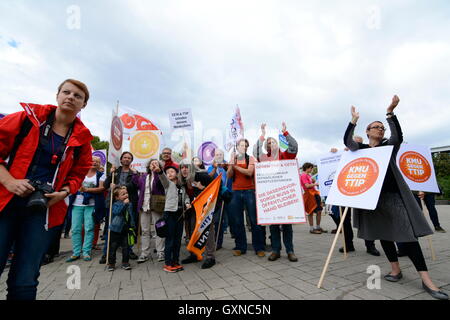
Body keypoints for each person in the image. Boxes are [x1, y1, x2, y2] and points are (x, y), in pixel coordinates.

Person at [345, 95, 448, 300]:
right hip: (372, 201)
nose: (380, 129)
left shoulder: (388, 147)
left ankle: (427, 281)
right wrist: (353, 120)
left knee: (407, 236)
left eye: (382, 127)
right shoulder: (361, 150)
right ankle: (395, 270)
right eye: (376, 127)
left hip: (393, 198)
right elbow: (347, 141)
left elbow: (397, 137)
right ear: (367, 132)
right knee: (384, 235)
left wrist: (390, 113)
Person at [0, 79, 93, 300]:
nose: (70, 97)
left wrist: (64, 192)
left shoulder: (82, 140)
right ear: (57, 95)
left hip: (43, 210)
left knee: (25, 279)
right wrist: (9, 181)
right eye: (66, 92)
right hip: (5, 202)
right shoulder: (27, 119)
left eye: (77, 96)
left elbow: (79, 174)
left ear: (84, 105)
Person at [253, 122, 299, 262]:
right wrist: (262, 135)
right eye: (268, 143)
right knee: (273, 225)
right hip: (271, 196)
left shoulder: (285, 155)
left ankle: (290, 250)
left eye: (272, 142)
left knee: (286, 225)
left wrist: (286, 133)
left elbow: (294, 146)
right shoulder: (264, 158)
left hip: (284, 195)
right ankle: (275, 250)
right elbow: (255, 151)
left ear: (277, 144)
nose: (270, 144)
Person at [329, 140, 381, 256]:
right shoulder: (344, 155)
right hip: (345, 190)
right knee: (344, 219)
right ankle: (348, 244)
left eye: (358, 143)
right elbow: (331, 167)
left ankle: (370, 245)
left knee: (366, 219)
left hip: (362, 189)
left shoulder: (367, 154)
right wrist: (333, 154)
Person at [227, 138, 265, 257]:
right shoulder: (233, 158)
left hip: (249, 191)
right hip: (236, 192)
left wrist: (236, 166)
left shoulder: (251, 158)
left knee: (254, 220)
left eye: (245, 146)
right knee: (238, 221)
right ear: (237, 147)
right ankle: (240, 246)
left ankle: (259, 247)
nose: (244, 147)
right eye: (241, 145)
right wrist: (231, 164)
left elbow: (249, 172)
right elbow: (229, 175)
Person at [100, 152, 139, 263]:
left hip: (127, 204)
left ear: (131, 160)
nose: (126, 159)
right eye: (125, 157)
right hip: (113, 203)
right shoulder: (115, 171)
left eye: (129, 158)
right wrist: (110, 175)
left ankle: (129, 250)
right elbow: (105, 185)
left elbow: (134, 186)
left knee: (127, 228)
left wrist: (117, 187)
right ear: (121, 159)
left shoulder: (134, 173)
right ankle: (106, 253)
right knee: (110, 227)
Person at [66, 155, 106, 262]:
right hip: (77, 204)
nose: (94, 162)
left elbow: (102, 188)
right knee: (75, 229)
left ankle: (86, 252)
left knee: (89, 228)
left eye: (97, 161)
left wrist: (87, 190)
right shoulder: (81, 173)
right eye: (92, 160)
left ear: (99, 164)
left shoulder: (101, 175)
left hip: (92, 205)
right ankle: (76, 252)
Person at [156, 165, 191, 273]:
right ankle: (168, 263)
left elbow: (186, 197)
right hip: (169, 214)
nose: (170, 173)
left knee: (177, 239)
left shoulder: (182, 186)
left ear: (177, 173)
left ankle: (175, 261)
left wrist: (187, 203)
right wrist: (160, 171)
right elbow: (162, 177)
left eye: (172, 171)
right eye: (168, 172)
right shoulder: (168, 184)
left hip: (180, 215)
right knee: (170, 239)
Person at [181, 159, 214, 267]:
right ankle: (194, 254)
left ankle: (210, 257)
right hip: (193, 208)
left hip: (206, 207)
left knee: (206, 231)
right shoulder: (183, 179)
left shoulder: (201, 175)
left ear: (191, 168)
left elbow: (215, 187)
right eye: (182, 167)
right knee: (192, 230)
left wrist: (202, 188)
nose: (184, 169)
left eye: (186, 167)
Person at [134, 159, 166, 263]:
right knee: (145, 231)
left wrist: (157, 172)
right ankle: (144, 253)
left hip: (156, 206)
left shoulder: (161, 175)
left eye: (156, 163)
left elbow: (160, 185)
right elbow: (137, 185)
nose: (154, 164)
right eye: (152, 163)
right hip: (144, 206)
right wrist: (135, 174)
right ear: (148, 165)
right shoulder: (144, 176)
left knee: (159, 229)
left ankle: (161, 252)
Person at [207, 149, 233, 251]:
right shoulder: (211, 166)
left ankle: (236, 239)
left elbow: (231, 174)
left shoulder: (227, 165)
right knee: (218, 220)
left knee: (232, 218)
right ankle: (218, 242)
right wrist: (214, 167)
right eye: (217, 154)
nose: (218, 156)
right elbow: (209, 177)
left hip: (229, 194)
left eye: (220, 154)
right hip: (217, 196)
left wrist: (228, 166)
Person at [107, 186, 135, 271]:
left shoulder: (129, 204)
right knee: (113, 247)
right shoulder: (116, 204)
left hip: (125, 229)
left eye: (126, 193)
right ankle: (111, 263)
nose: (126, 195)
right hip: (116, 229)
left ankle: (125, 262)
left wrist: (132, 224)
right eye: (123, 194)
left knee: (126, 246)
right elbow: (117, 212)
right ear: (117, 197)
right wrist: (124, 204)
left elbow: (130, 215)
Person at [301, 163, 327, 234]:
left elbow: (311, 183)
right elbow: (307, 186)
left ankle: (318, 227)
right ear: (307, 168)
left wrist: (313, 181)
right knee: (311, 211)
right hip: (309, 195)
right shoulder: (303, 175)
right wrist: (315, 184)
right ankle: (312, 229)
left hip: (314, 194)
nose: (312, 170)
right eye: (311, 168)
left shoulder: (308, 175)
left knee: (319, 210)